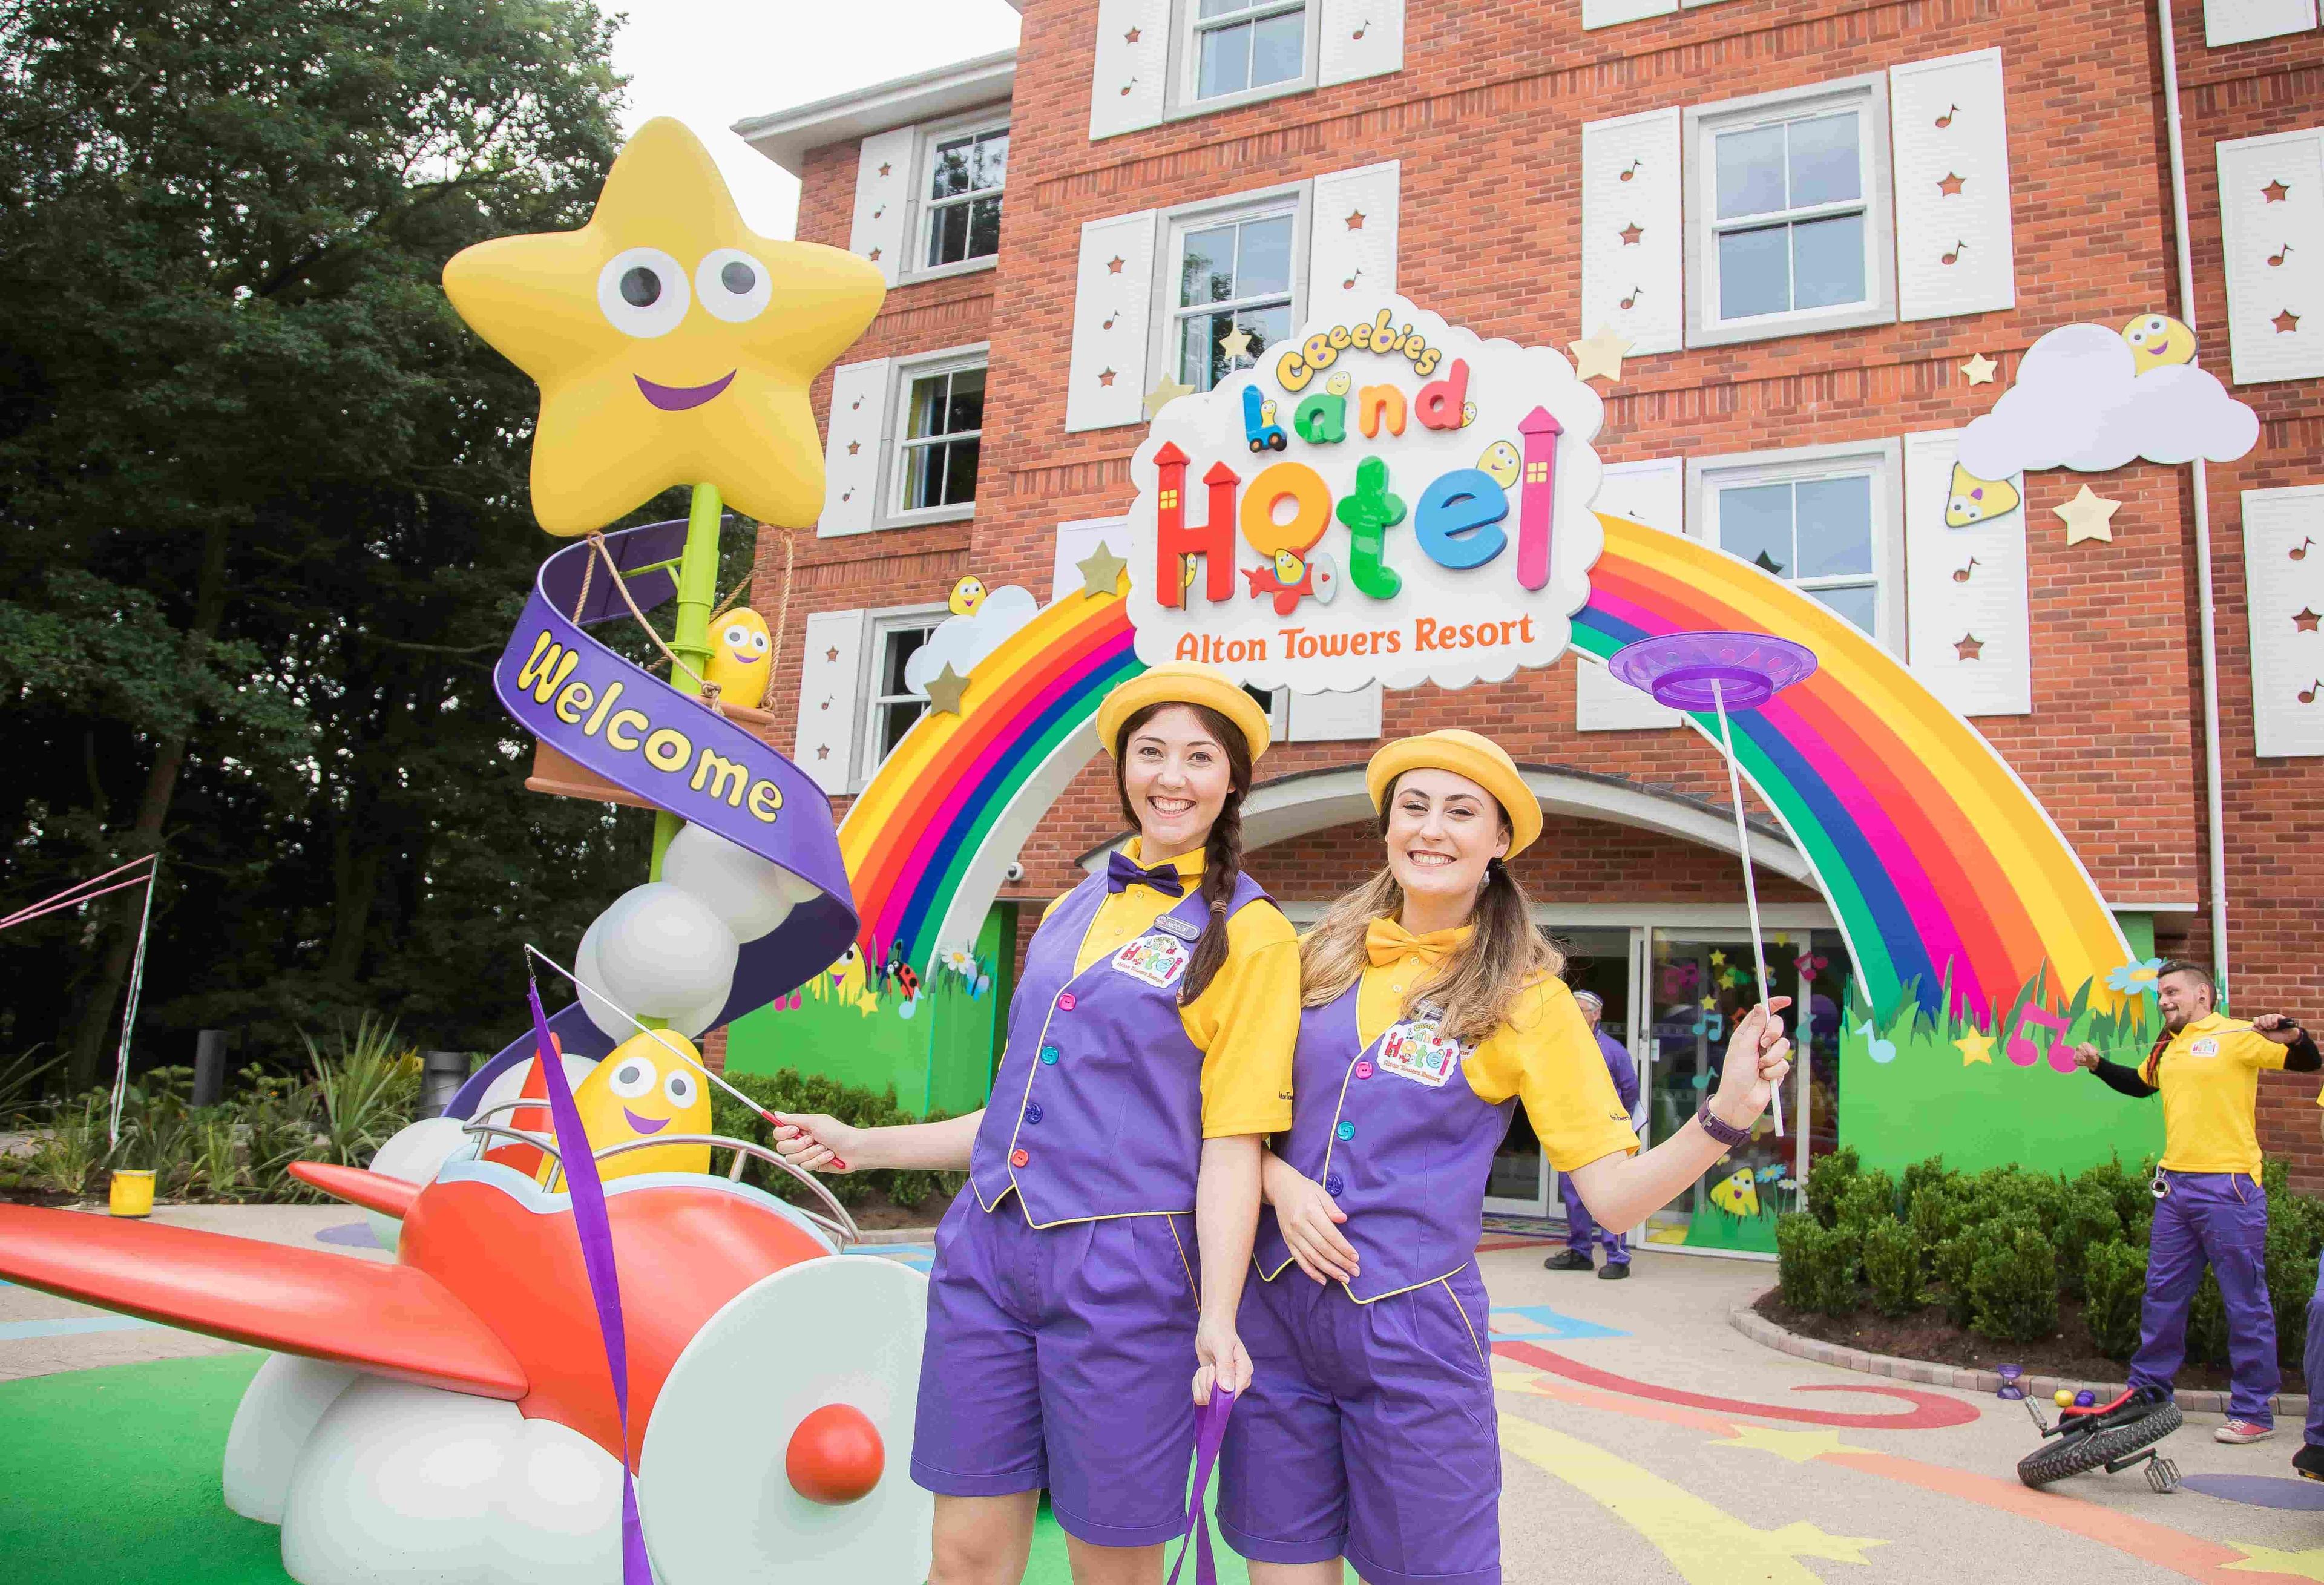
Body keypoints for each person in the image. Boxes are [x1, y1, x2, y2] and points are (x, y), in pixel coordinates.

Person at [1218, 730, 1790, 1585]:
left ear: (1497, 843)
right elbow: (1231, 1118)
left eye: (1461, 811)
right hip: (1274, 1320)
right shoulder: (1314, 961)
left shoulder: (1534, 1002)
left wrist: (1724, 1114)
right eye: (1413, 806)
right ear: (1386, 828)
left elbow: (1615, 1198)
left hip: (1412, 1332)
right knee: (1282, 1569)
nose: (1432, 828)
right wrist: (1276, 1177)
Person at [773, 662, 1297, 1585]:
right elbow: (1015, 1114)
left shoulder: (1253, 934)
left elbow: (1234, 1141)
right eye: (1151, 753)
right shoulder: (1067, 908)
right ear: (1123, 767)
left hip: (1128, 1272)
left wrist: (1217, 1313)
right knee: (964, 1558)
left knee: (1113, 1567)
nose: (1171, 776)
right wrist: (866, 1145)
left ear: (1232, 780)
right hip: (987, 1252)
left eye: (1199, 756)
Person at [2073, 960, 2319, 1445]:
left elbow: (2309, 1062)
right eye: (2160, 994)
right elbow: (2143, 1083)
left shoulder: (2238, 1034)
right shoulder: (2168, 1042)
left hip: (2230, 1187)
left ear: (2203, 995)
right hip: (2176, 1188)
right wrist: (2099, 1066)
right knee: (2162, 1296)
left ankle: (2253, 1411)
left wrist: (2291, 1033)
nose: (2163, 1001)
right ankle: (2148, 1394)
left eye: (2172, 992)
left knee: (2245, 1301)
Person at [1546, 987, 1641, 1279]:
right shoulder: (1561, 1046)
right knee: (1574, 1195)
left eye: (1582, 1010)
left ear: (1596, 1015)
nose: (1575, 1015)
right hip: (1572, 1132)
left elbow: (1630, 1090)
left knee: (1611, 1196)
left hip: (1606, 1135)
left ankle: (1617, 1257)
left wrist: (1613, 1121)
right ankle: (1580, 1252)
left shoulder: (1612, 1050)